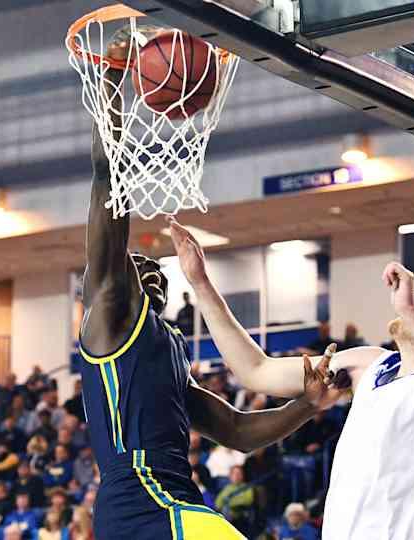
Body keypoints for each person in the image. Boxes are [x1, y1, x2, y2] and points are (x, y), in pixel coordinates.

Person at [76, 41, 343, 540]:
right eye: (136, 261)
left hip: (173, 499)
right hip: (142, 498)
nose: (149, 267)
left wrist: (307, 405)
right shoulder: (109, 318)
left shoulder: (169, 349)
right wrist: (111, 81)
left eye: (154, 264)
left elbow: (238, 433)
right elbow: (106, 182)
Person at [168, 218, 414, 540]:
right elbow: (256, 370)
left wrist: (411, 315)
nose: (412, 298)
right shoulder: (369, 364)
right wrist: (200, 282)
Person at [214, 466, 255, 531]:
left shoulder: (247, 488)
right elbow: (218, 504)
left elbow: (248, 500)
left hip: (242, 518)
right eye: (234, 474)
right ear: (230, 476)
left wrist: (229, 502)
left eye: (239, 473)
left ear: (243, 475)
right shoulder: (226, 488)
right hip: (227, 518)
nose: (237, 476)